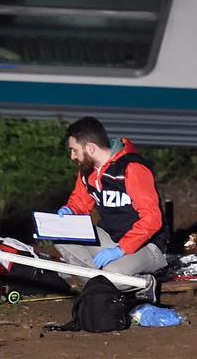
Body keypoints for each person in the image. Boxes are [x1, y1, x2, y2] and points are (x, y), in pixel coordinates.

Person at [54, 117, 168, 296]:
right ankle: (101, 283)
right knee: (59, 232)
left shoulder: (132, 168)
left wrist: (121, 249)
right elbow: (80, 202)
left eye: (74, 150)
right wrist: (70, 210)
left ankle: (143, 283)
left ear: (90, 148)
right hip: (111, 239)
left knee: (111, 277)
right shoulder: (88, 170)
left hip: (146, 246)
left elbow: (152, 219)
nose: (72, 156)